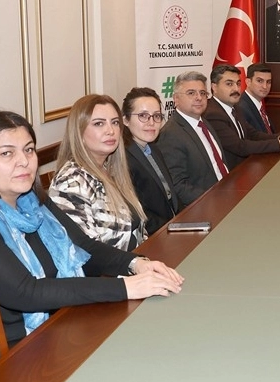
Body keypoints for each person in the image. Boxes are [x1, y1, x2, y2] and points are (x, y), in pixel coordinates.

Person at [0, 110, 183, 345]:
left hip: (60, 324)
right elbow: (25, 292)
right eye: (6, 153)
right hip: (5, 352)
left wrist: (135, 264)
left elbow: (84, 248)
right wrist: (126, 288)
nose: (24, 161)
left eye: (28, 150)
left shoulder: (33, 201)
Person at [49, 95, 146, 251]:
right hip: (113, 266)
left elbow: (138, 232)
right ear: (79, 131)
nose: (110, 131)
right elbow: (85, 252)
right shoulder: (71, 182)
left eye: (115, 122)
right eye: (99, 123)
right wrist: (137, 262)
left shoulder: (110, 169)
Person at [204, 64, 280, 168]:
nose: (236, 89)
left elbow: (253, 134)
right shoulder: (212, 114)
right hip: (232, 172)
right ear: (214, 87)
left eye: (238, 83)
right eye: (229, 84)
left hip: (246, 167)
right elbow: (240, 147)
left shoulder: (235, 107)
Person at [157, 71, 230, 209]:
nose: (199, 98)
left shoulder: (204, 123)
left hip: (227, 193)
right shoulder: (171, 134)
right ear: (176, 99)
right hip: (206, 206)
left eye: (203, 93)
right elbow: (178, 185)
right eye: (191, 93)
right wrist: (216, 200)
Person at [121, 87, 178, 234]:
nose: (151, 122)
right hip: (156, 234)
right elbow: (139, 214)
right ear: (126, 120)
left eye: (156, 116)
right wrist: (171, 229)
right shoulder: (123, 159)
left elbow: (170, 194)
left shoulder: (153, 148)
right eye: (143, 116)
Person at [238, 63, 279, 134]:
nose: (265, 86)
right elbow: (249, 138)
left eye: (268, 82)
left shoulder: (259, 106)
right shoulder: (241, 107)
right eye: (260, 81)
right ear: (248, 82)